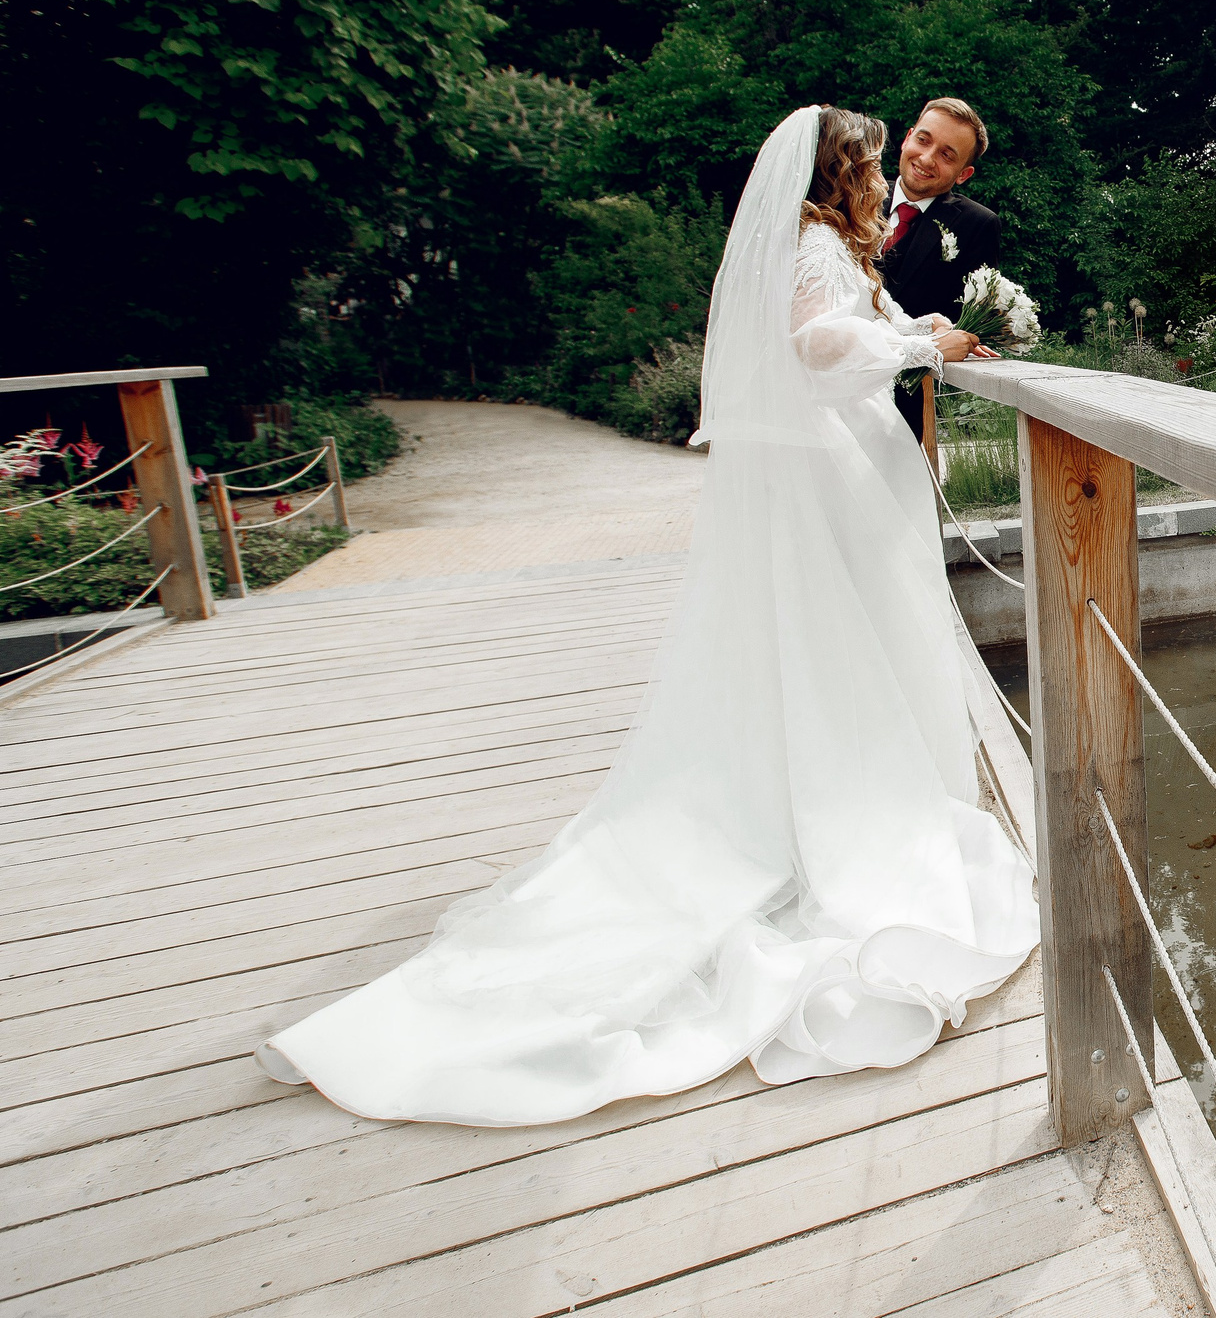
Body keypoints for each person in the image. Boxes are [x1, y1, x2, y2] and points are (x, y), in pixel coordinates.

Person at [254, 106, 1038, 1127]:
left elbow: (851, 327)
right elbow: (812, 344)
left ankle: (825, 783)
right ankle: (823, 809)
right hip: (823, 477)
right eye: (876, 159)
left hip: (838, 474)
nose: (890, 171)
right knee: (827, 649)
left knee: (838, 649)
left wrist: (921, 335)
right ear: (840, 172)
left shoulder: (850, 239)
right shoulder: (811, 243)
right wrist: (912, 347)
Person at [879, 97, 1000, 441]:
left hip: (904, 405)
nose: (927, 159)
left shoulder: (979, 225)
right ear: (907, 137)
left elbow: (968, 319)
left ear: (964, 174)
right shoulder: (852, 195)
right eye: (923, 139)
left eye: (947, 155)